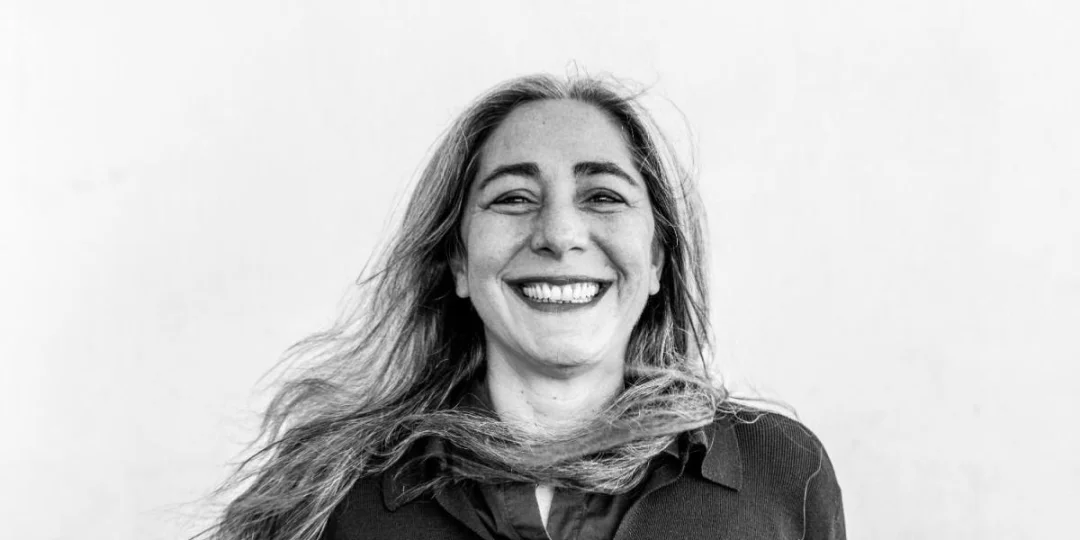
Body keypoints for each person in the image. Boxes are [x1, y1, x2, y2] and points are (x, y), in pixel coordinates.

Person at [205, 74, 845, 540]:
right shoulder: (334, 497)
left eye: (603, 196)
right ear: (458, 260)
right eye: (513, 198)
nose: (559, 234)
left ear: (656, 260)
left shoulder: (784, 474)